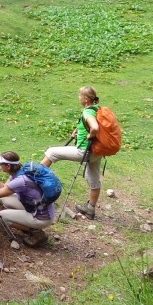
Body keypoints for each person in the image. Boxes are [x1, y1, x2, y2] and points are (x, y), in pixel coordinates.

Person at [41, 85, 103, 220]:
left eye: (80, 96)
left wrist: (90, 135)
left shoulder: (87, 112)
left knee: (52, 152)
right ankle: (90, 210)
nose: (79, 98)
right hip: (98, 152)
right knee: (94, 179)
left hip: (85, 151)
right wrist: (80, 131)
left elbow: (95, 127)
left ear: (86, 99)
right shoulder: (97, 108)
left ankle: (31, 177)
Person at [0, 150, 56, 246]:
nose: (0, 166)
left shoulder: (20, 181)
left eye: (1, 164)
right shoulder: (21, 170)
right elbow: (3, 188)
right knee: (5, 199)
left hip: (42, 217)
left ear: (8, 166)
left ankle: (35, 231)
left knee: (1, 216)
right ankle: (29, 223)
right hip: (43, 208)